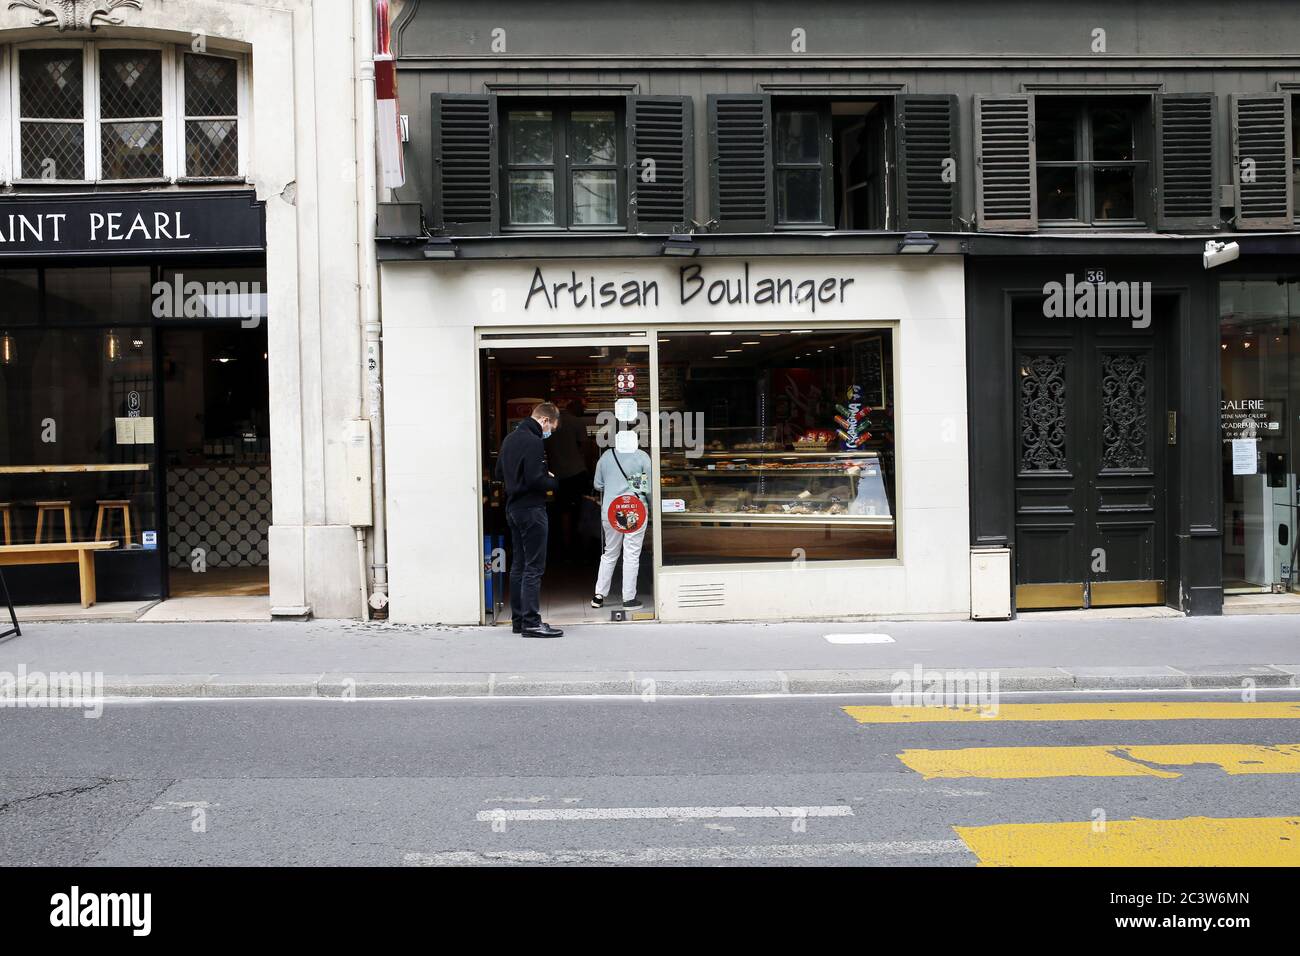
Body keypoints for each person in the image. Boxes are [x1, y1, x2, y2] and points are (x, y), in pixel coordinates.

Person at [495, 402, 563, 638]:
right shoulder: (534, 441)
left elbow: (498, 474)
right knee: (534, 567)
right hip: (532, 509)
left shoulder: (509, 439)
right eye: (551, 428)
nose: (550, 433)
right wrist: (552, 479)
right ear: (545, 421)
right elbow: (536, 480)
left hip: (513, 508)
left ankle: (519, 621)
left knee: (518, 567)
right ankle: (532, 622)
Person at [591, 435, 652, 611]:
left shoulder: (606, 456)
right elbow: (645, 488)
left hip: (611, 510)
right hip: (635, 508)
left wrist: (613, 485)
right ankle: (629, 599)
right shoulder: (641, 456)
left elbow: (597, 485)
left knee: (610, 552)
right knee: (631, 554)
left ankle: (598, 596)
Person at [546, 399, 591, 561]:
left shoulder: (551, 424)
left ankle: (565, 544)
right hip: (577, 472)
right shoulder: (577, 422)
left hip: (558, 474)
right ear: (574, 407)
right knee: (583, 509)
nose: (584, 410)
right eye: (582, 407)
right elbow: (585, 449)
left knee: (563, 510)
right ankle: (583, 547)